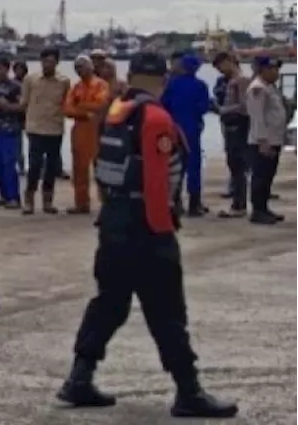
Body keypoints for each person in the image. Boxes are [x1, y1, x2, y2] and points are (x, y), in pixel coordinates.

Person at [56, 53, 237, 418]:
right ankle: (188, 390)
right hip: (145, 226)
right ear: (164, 78)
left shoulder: (116, 111)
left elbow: (105, 171)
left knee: (109, 303)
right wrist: (163, 230)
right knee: (168, 310)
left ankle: (79, 377)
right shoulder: (154, 118)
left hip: (114, 221)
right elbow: (156, 182)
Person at [14, 47, 71, 214]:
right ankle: (29, 200)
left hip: (55, 128)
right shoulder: (31, 80)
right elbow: (24, 103)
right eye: (45, 61)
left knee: (52, 167)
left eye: (51, 62)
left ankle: (48, 200)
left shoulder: (64, 81)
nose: (48, 65)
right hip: (35, 128)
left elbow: (67, 103)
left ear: (57, 63)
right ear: (40, 62)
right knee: (35, 165)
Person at [161, 52, 212, 216]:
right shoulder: (201, 86)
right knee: (194, 168)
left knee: (175, 166)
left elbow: (163, 105)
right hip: (192, 130)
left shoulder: (171, 84)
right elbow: (204, 107)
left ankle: (175, 202)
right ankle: (194, 204)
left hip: (173, 129)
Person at [63, 55, 111, 215]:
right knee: (79, 170)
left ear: (90, 66)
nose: (79, 70)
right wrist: (85, 112)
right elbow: (67, 109)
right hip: (80, 129)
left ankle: (107, 203)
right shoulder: (76, 87)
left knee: (102, 169)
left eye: (82, 66)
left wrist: (80, 105)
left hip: (98, 130)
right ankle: (81, 203)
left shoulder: (101, 85)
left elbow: (101, 105)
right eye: (76, 68)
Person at [244, 56, 287, 225]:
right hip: (263, 141)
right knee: (261, 176)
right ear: (262, 70)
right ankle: (257, 211)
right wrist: (262, 140)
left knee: (269, 175)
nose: (276, 72)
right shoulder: (258, 89)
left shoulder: (270, 88)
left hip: (274, 139)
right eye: (272, 69)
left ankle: (264, 207)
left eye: (277, 69)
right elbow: (257, 117)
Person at [212, 52, 251, 217]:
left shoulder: (240, 81)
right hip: (231, 126)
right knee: (234, 164)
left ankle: (239, 205)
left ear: (229, 62)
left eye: (220, 66)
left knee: (238, 166)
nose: (220, 71)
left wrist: (222, 110)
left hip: (238, 127)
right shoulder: (229, 82)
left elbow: (244, 107)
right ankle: (237, 202)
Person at [0, 56, 23, 209]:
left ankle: (14, 197)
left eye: (0, 68)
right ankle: (4, 195)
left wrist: (6, 105)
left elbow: (22, 107)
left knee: (9, 163)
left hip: (10, 129)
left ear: (7, 69)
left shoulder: (16, 87)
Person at [12, 60, 29, 176]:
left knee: (36, 143)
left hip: (30, 116)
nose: (19, 71)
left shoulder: (30, 82)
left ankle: (38, 167)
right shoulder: (12, 84)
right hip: (16, 117)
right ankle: (21, 167)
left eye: (21, 69)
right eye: (17, 69)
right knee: (18, 145)